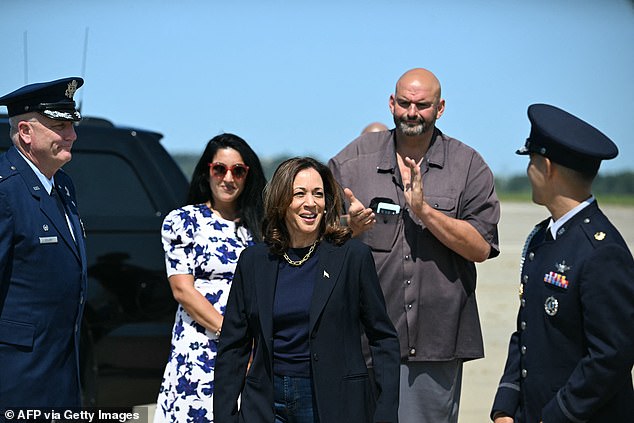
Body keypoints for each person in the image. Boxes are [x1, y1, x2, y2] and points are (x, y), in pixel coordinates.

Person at [329, 68, 500, 423]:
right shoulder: (351, 162)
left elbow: (481, 247)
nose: (411, 112)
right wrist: (349, 226)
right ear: (391, 103)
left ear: (440, 109)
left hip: (436, 341)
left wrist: (424, 211)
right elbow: (316, 233)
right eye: (404, 102)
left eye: (422, 105)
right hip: (362, 341)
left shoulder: (468, 166)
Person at [214, 157, 400, 423]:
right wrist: (225, 416)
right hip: (265, 404)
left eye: (318, 194)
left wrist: (385, 413)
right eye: (299, 194)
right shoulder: (254, 261)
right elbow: (233, 346)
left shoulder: (352, 257)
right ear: (280, 201)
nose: (311, 203)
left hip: (332, 402)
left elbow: (383, 339)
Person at [491, 104, 634, 422]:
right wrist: (505, 406)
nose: (528, 170)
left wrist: (558, 414)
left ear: (546, 167)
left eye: (530, 160)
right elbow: (526, 329)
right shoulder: (543, 239)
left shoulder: (600, 251)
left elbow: (611, 356)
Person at [153, 133, 267, 423]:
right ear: (207, 171)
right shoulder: (182, 221)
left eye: (238, 170)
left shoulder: (261, 227)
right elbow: (182, 291)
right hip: (200, 346)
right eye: (220, 169)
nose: (228, 178)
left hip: (252, 351)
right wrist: (234, 336)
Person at [0, 77, 87, 409]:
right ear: (25, 132)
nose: (72, 135)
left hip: (62, 373)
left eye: (72, 125)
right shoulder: (5, 191)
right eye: (60, 126)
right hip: (17, 379)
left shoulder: (63, 185)